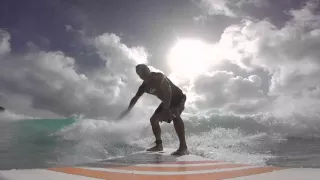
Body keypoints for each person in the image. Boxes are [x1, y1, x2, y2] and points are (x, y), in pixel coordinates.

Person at [118, 64, 189, 156]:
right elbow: (135, 98)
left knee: (174, 114)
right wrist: (127, 111)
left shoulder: (159, 76)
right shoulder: (143, 87)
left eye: (143, 71)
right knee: (153, 120)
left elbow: (168, 91)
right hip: (166, 102)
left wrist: (166, 110)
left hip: (178, 98)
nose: (142, 74)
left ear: (148, 70)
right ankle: (159, 145)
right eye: (139, 73)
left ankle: (183, 147)